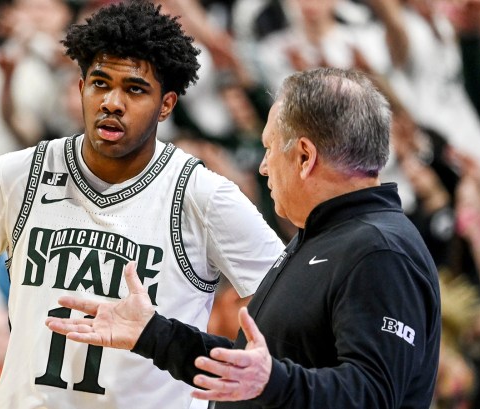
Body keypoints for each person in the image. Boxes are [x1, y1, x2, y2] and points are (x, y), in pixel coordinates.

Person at [0, 2, 284, 409]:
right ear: (81, 85)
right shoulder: (17, 176)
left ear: (167, 104)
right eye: (100, 83)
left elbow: (296, 311)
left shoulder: (203, 195)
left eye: (134, 89)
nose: (112, 102)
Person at [47, 67, 443, 408]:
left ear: (305, 157)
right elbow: (250, 369)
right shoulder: (326, 238)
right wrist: (153, 334)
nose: (265, 167)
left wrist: (272, 382)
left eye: (269, 148)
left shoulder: (379, 252)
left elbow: (373, 397)